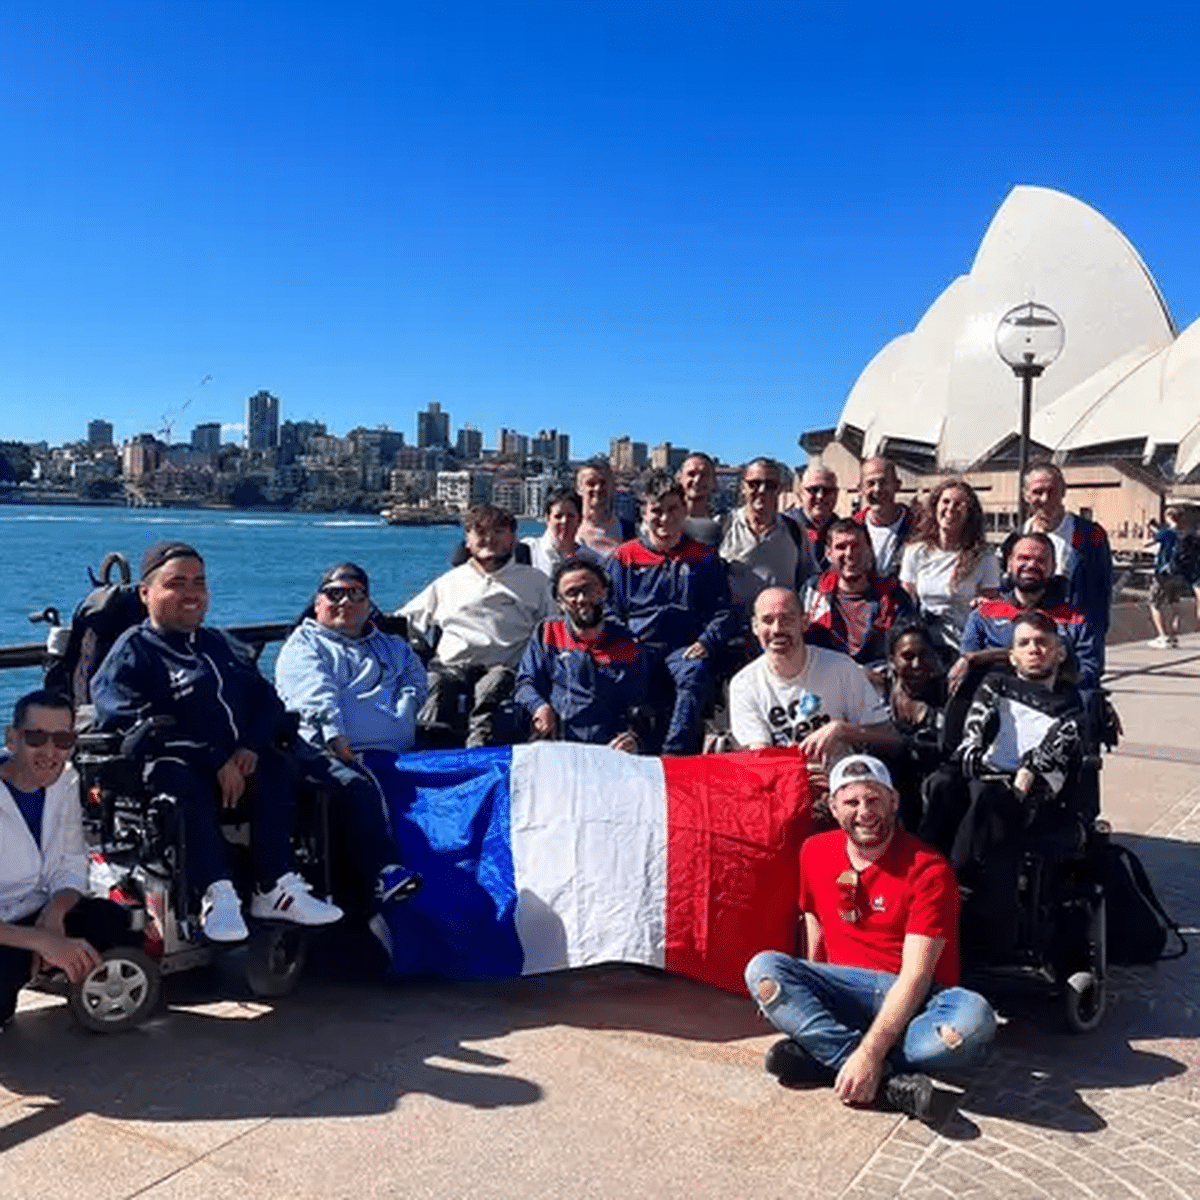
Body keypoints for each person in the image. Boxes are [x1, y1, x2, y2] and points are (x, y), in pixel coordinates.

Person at [90, 541, 347, 944]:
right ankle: (215, 893)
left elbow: (265, 701)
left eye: (199, 582)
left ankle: (274, 886)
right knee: (176, 776)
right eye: (177, 583)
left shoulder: (218, 645)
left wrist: (248, 746)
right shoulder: (132, 653)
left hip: (236, 763)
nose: (191, 593)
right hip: (175, 766)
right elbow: (135, 723)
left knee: (279, 765)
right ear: (146, 593)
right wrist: (213, 759)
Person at [744, 754, 996, 1119]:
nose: (864, 812)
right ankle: (889, 1083)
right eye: (851, 802)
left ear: (894, 801)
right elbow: (814, 925)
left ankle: (831, 1055)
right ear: (833, 806)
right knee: (763, 971)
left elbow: (916, 975)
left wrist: (869, 1052)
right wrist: (808, 990)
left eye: (874, 799)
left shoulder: (929, 869)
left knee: (973, 1022)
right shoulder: (814, 851)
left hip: (916, 997)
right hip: (847, 987)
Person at [923, 613, 1085, 955]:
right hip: (985, 774)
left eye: (1042, 643)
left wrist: (1025, 773)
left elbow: (1054, 749)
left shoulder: (1071, 705)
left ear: (1059, 652)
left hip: (1033, 792)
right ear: (1012, 655)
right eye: (1024, 643)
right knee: (942, 784)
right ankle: (921, 869)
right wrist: (972, 753)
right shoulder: (997, 684)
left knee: (994, 797)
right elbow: (974, 727)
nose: (1034, 649)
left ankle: (954, 880)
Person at [1, 690, 135, 1028]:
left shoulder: (67, 780)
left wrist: (55, 914)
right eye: (36, 737)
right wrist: (40, 941)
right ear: (12, 739)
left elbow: (71, 863)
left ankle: (41, 962)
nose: (50, 752)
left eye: (62, 739)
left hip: (34, 908)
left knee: (116, 923)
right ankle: (35, 961)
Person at [401, 504, 554, 747]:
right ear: (468, 541)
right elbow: (406, 620)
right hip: (449, 668)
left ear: (513, 538)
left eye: (498, 531)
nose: (489, 539)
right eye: (480, 532)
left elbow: (556, 629)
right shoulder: (449, 583)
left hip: (504, 669)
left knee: (492, 688)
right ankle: (424, 755)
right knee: (433, 688)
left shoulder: (536, 582)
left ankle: (478, 756)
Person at [608, 472, 736, 755]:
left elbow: (722, 610)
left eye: (672, 510)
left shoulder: (704, 557)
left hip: (685, 647)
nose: (664, 518)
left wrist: (706, 642)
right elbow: (610, 609)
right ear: (644, 512)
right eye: (656, 511)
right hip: (637, 646)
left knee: (694, 673)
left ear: (685, 510)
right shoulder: (625, 556)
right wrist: (624, 640)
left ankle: (675, 753)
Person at [728, 587, 898, 764]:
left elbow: (892, 740)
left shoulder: (840, 667)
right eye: (768, 621)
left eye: (787, 619)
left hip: (842, 779)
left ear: (805, 622)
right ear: (755, 627)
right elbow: (760, 755)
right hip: (783, 779)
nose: (777, 629)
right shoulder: (744, 684)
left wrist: (842, 730)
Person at [277, 562, 428, 758]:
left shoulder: (396, 647)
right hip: (334, 759)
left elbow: (416, 681)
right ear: (317, 603)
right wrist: (339, 746)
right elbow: (315, 699)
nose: (345, 602)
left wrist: (405, 711)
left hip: (401, 755)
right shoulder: (303, 646)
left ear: (368, 605)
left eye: (356, 594)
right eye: (335, 594)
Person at [514, 558, 649, 750]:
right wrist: (539, 707)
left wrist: (635, 738)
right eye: (571, 593)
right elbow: (525, 684)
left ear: (603, 593)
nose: (581, 599)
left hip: (610, 750)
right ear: (560, 603)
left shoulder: (628, 642)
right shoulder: (547, 632)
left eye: (588, 589)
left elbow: (644, 705)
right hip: (558, 745)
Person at [956, 532, 1101, 703]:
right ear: (1010, 563)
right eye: (1023, 558)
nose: (1031, 565)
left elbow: (1089, 671)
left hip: (1058, 707)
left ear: (1053, 567)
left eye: (1041, 560)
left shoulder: (1076, 619)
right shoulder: (983, 615)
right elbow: (969, 662)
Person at [801, 517, 913, 680]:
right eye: (841, 547)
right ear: (828, 553)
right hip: (823, 681)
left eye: (856, 546)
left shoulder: (893, 596)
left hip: (878, 686)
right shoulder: (812, 592)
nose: (850, 554)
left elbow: (907, 651)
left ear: (869, 550)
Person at [899, 479, 1000, 658]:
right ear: (935, 506)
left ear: (970, 513)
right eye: (945, 502)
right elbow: (908, 602)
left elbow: (989, 610)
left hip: (965, 645)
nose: (951, 508)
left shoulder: (986, 558)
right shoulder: (915, 552)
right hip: (924, 644)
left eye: (959, 504)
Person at [1022, 463, 1113, 656]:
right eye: (1038, 492)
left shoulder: (1091, 535)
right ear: (1026, 495)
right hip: (1033, 641)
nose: (1046, 499)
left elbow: (1102, 592)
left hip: (1075, 635)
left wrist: (1093, 642)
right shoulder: (1019, 537)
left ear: (1063, 491)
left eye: (1052, 491)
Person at [720, 457, 816, 615]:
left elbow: (809, 579)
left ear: (780, 489)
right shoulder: (723, 526)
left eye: (770, 485)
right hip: (733, 630)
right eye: (754, 484)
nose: (762, 490)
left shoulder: (795, 530)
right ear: (743, 487)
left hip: (779, 628)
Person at [880, 622, 947, 834]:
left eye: (924, 655)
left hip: (934, 779)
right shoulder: (878, 690)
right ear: (892, 661)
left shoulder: (948, 691)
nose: (917, 664)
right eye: (907, 657)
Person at [1145, 506, 1200, 649]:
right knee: (1175, 604)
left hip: (1164, 574)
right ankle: (1174, 637)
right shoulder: (1187, 534)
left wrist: (1149, 531)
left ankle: (1162, 637)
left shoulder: (1166, 533)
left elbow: (1146, 543)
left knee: (1154, 603)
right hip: (1180, 573)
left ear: (1168, 517)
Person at [854, 456, 916, 578]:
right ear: (860, 489)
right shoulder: (853, 528)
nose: (877, 489)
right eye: (870, 483)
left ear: (897, 485)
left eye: (883, 482)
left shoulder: (918, 526)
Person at [521, 487, 602, 578]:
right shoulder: (527, 550)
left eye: (570, 516)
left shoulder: (592, 560)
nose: (564, 521)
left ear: (579, 519)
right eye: (558, 516)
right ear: (547, 518)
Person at [783, 461, 840, 572]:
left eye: (827, 490)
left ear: (836, 494)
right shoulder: (784, 527)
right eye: (814, 490)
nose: (820, 496)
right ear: (800, 494)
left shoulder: (844, 531)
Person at [575, 458, 635, 558]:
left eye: (603, 483)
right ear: (579, 489)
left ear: (613, 487)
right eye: (591, 483)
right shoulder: (570, 529)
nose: (597, 488)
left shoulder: (629, 530)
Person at [677, 451, 722, 547]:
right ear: (680, 477)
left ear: (713, 481)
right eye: (691, 474)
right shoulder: (667, 520)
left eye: (704, 475)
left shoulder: (724, 523)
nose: (697, 480)